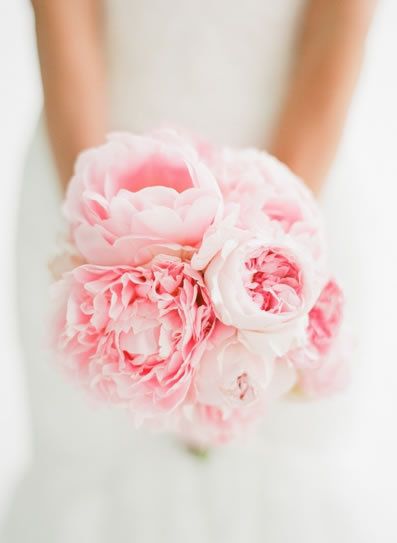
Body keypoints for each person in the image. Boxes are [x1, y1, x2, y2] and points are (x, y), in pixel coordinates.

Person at [2, 1, 377, 542]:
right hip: (87, 159)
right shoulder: (88, 201)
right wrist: (101, 229)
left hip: (301, 180)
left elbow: (339, 21)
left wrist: (255, 261)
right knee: (92, 471)